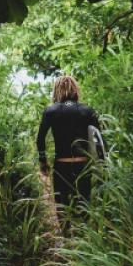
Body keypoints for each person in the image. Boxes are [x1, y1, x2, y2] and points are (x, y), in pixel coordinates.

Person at [36, 75, 104, 226]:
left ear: (56, 90)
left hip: (62, 165)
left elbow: (40, 139)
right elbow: (99, 141)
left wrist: (43, 162)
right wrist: (101, 165)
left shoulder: (50, 111)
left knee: (62, 204)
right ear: (75, 89)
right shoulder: (87, 111)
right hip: (83, 165)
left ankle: (66, 238)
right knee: (84, 204)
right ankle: (85, 239)